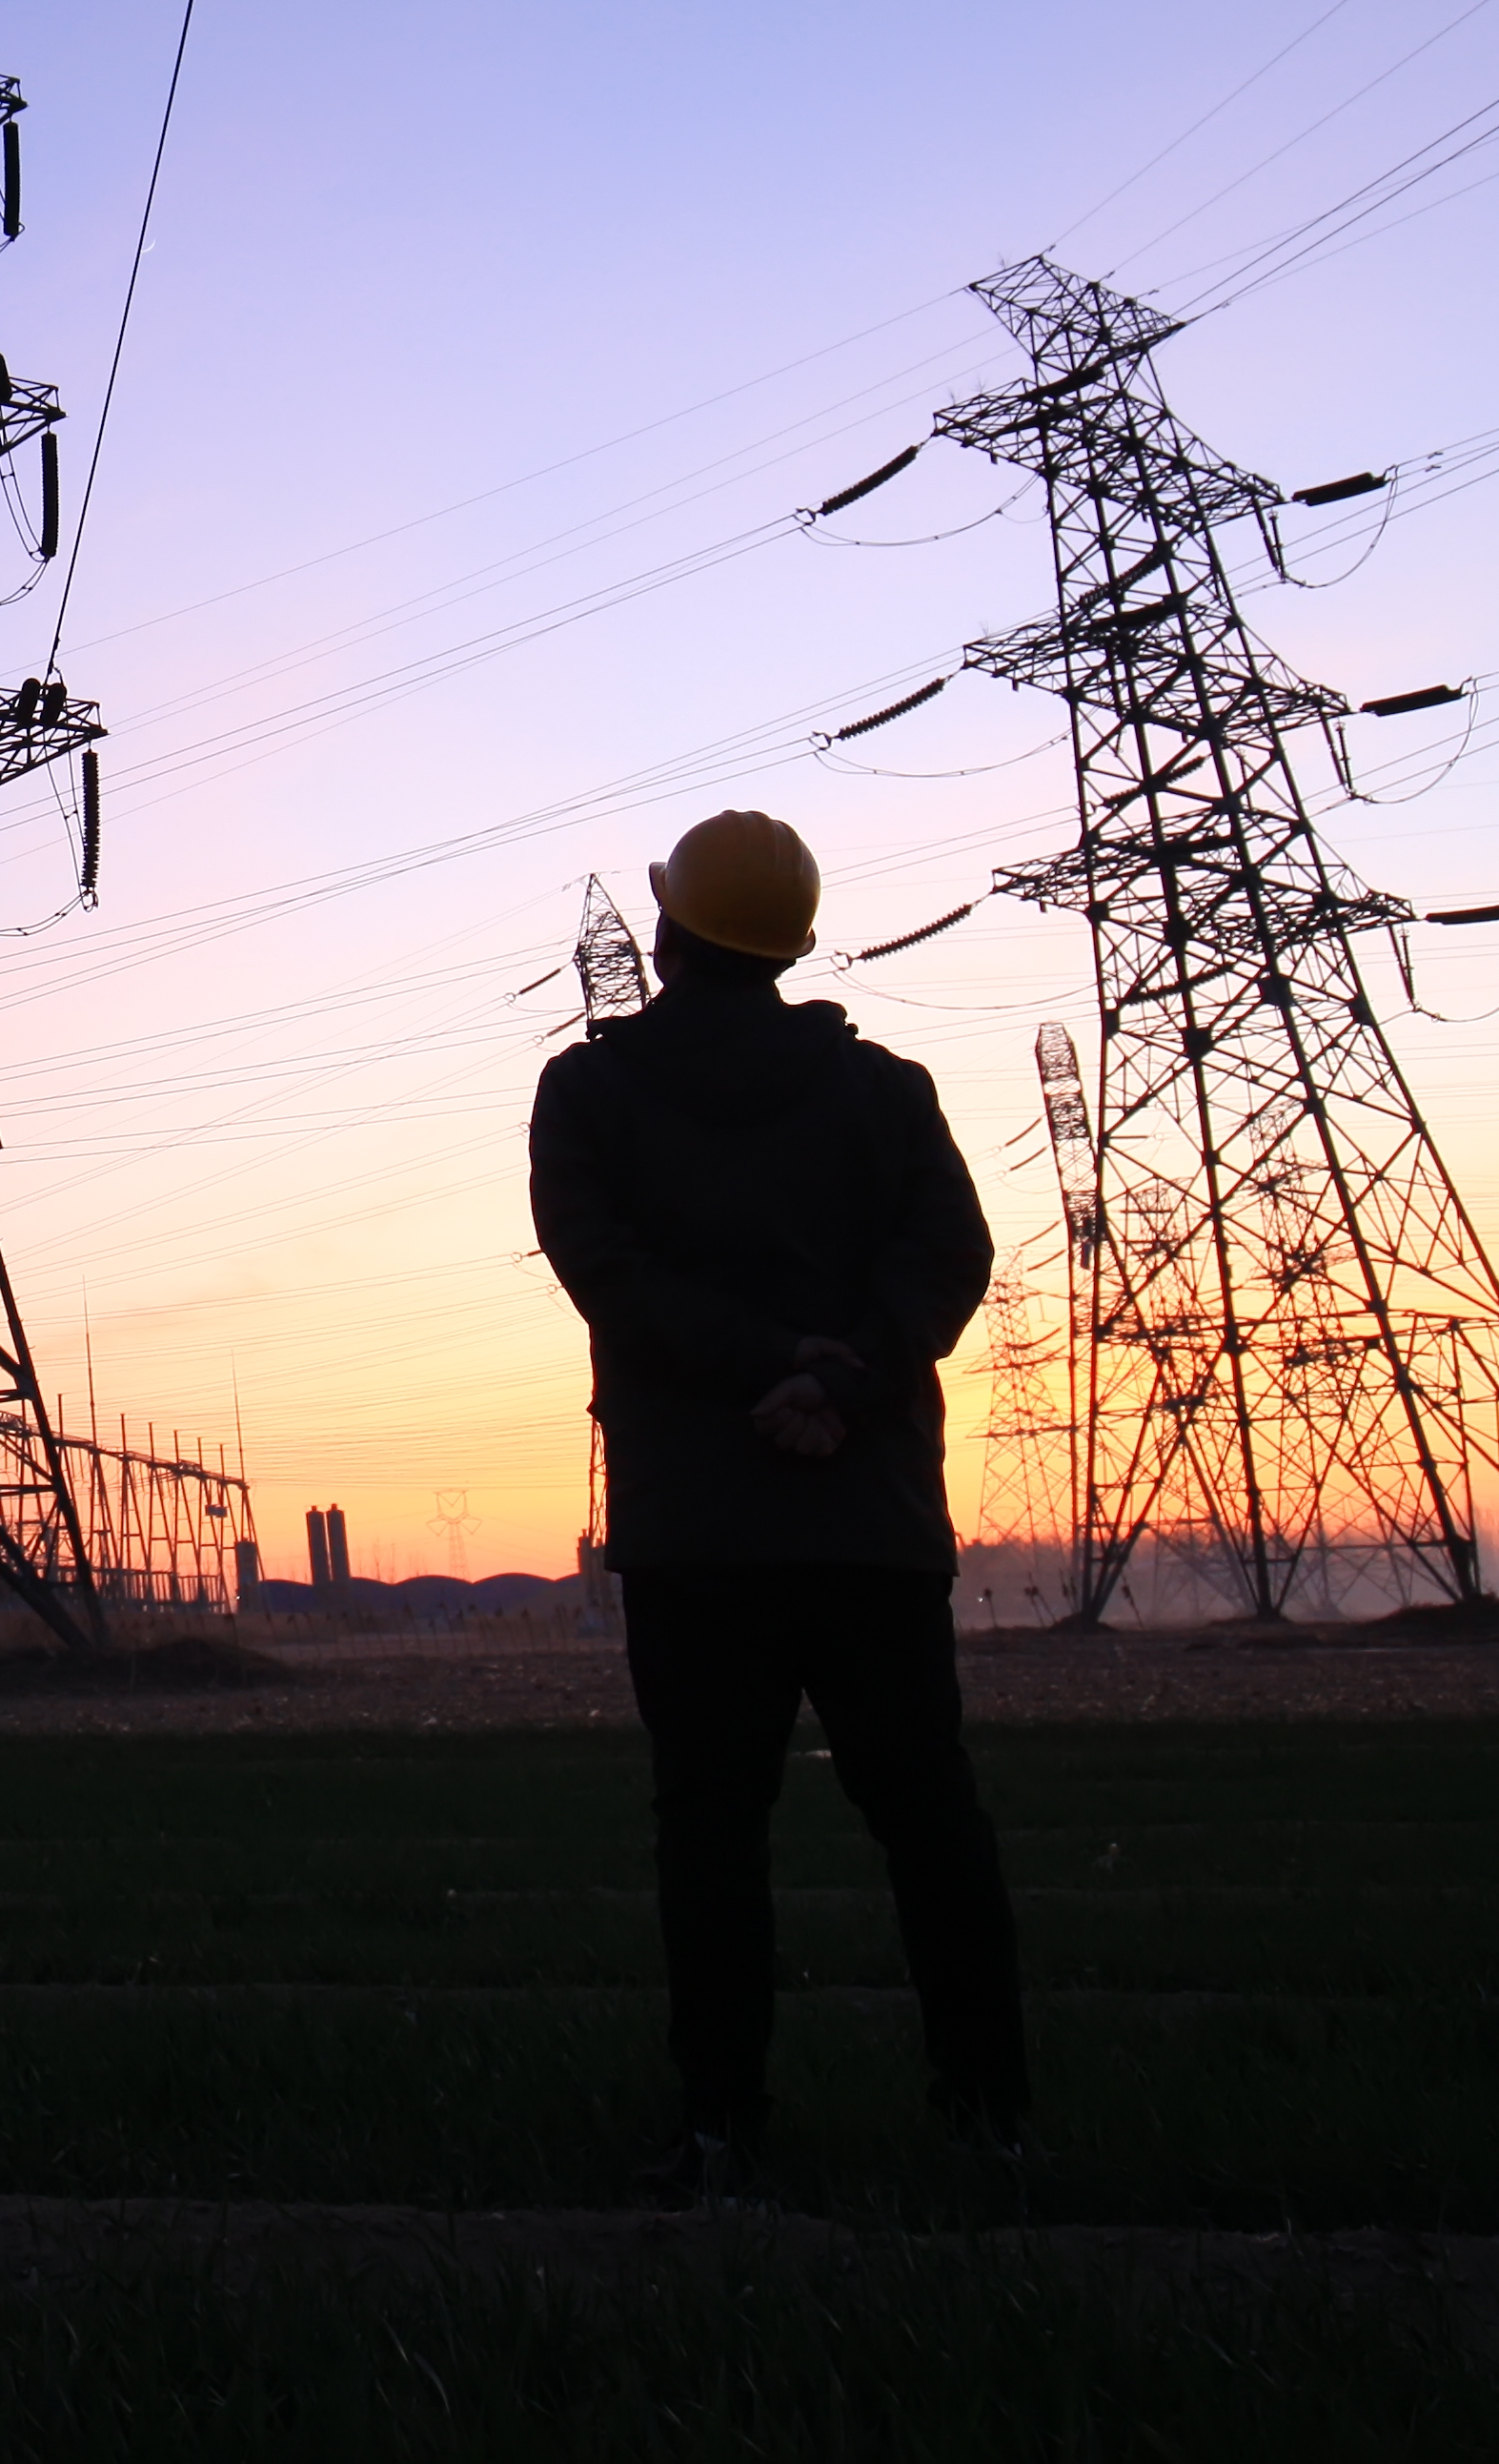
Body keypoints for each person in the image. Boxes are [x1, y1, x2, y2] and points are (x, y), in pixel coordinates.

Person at [530, 807, 1023, 2198]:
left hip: (699, 1537)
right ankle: (990, 2116)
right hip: (865, 1522)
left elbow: (607, 1276)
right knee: (930, 1823)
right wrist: (846, 1379)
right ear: (794, 944)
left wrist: (761, 1368)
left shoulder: (589, 1095)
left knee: (710, 1831)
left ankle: (721, 2127)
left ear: (671, 933)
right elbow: (951, 1253)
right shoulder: (886, 1092)